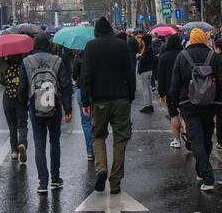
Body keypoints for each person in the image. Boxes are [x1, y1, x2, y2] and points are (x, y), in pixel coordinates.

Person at [80, 17, 135, 194]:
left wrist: (85, 99)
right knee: (120, 139)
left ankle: (101, 168)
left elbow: (86, 75)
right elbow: (130, 73)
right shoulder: (122, 45)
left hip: (99, 100)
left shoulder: (90, 46)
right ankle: (115, 181)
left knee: (98, 135)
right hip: (121, 99)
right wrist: (131, 95)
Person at [171, 27, 222, 192]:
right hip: (210, 103)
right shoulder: (212, 56)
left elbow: (175, 83)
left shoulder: (182, 56)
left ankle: (207, 176)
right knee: (207, 137)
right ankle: (202, 170)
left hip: (189, 103)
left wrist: (173, 106)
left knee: (195, 138)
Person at [20, 33, 73, 193]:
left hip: (34, 106)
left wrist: (23, 109)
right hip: (54, 106)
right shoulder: (57, 60)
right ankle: (55, 179)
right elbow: (65, 85)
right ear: (48, 44)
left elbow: (22, 88)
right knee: (54, 142)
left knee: (39, 144)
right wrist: (68, 109)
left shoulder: (26, 61)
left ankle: (43, 183)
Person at [0, 50, 29, 166]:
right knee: (22, 124)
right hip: (20, 98)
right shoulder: (24, 64)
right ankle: (22, 143)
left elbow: (2, 82)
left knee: (12, 126)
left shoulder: (4, 64)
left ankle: (14, 152)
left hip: (8, 98)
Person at [156, 34, 185, 149]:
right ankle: (188, 133)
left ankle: (177, 140)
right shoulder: (183, 55)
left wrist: (161, 93)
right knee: (185, 114)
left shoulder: (164, 57)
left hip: (170, 90)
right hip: (184, 90)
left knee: (173, 114)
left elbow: (160, 76)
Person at [66, 47, 94, 162]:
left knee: (86, 122)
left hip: (82, 91)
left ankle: (90, 152)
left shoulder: (79, 57)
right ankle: (98, 146)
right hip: (97, 92)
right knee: (97, 121)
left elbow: (74, 75)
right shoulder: (96, 55)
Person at [136, 32, 157, 114]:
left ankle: (147, 105)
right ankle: (150, 105)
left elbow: (143, 60)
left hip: (145, 71)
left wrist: (139, 56)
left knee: (145, 90)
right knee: (148, 89)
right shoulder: (149, 48)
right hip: (148, 70)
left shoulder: (148, 49)